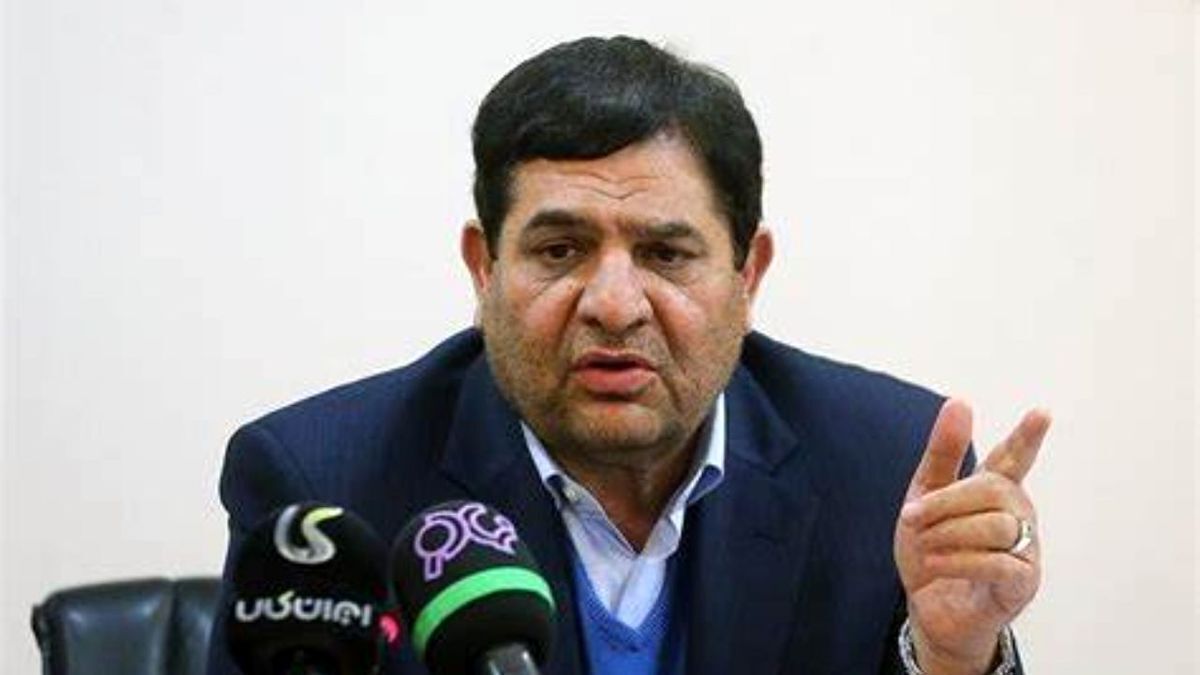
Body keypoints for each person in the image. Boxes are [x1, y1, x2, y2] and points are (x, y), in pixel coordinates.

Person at [209, 35, 1050, 675]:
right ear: (483, 266)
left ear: (748, 274)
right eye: (560, 250)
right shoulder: (327, 487)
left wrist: (953, 657)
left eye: (666, 253)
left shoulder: (888, 471)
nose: (614, 304)